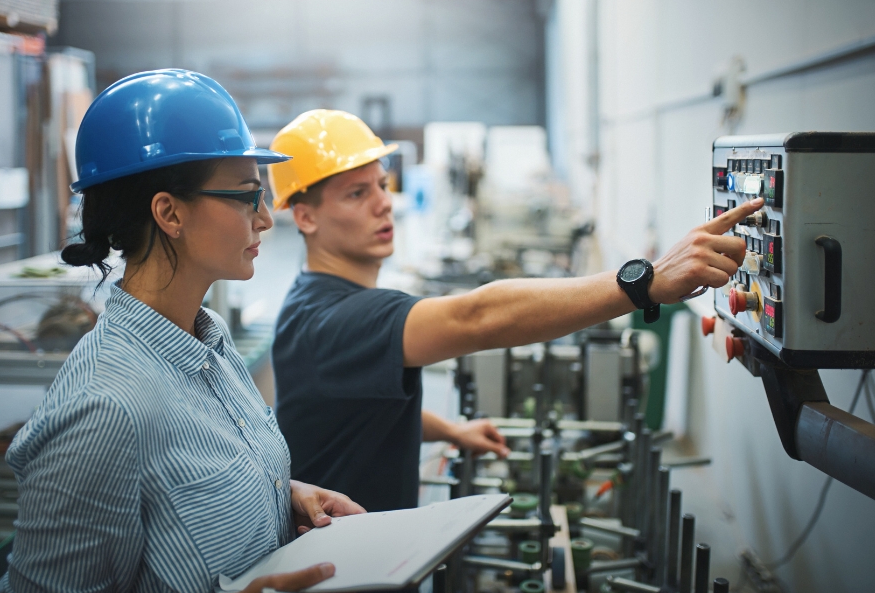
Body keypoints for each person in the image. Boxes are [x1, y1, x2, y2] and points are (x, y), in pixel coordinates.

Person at [267, 109, 763, 516]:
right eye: (357, 193)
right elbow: (478, 316)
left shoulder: (312, 302)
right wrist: (644, 282)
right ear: (304, 215)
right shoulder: (336, 321)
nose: (383, 204)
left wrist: (450, 431)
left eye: (381, 184)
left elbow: (356, 408)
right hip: (351, 574)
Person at [4, 71, 365, 593]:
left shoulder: (207, 338)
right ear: (169, 212)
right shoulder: (105, 408)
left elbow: (179, 491)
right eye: (246, 197)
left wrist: (280, 496)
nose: (265, 219)